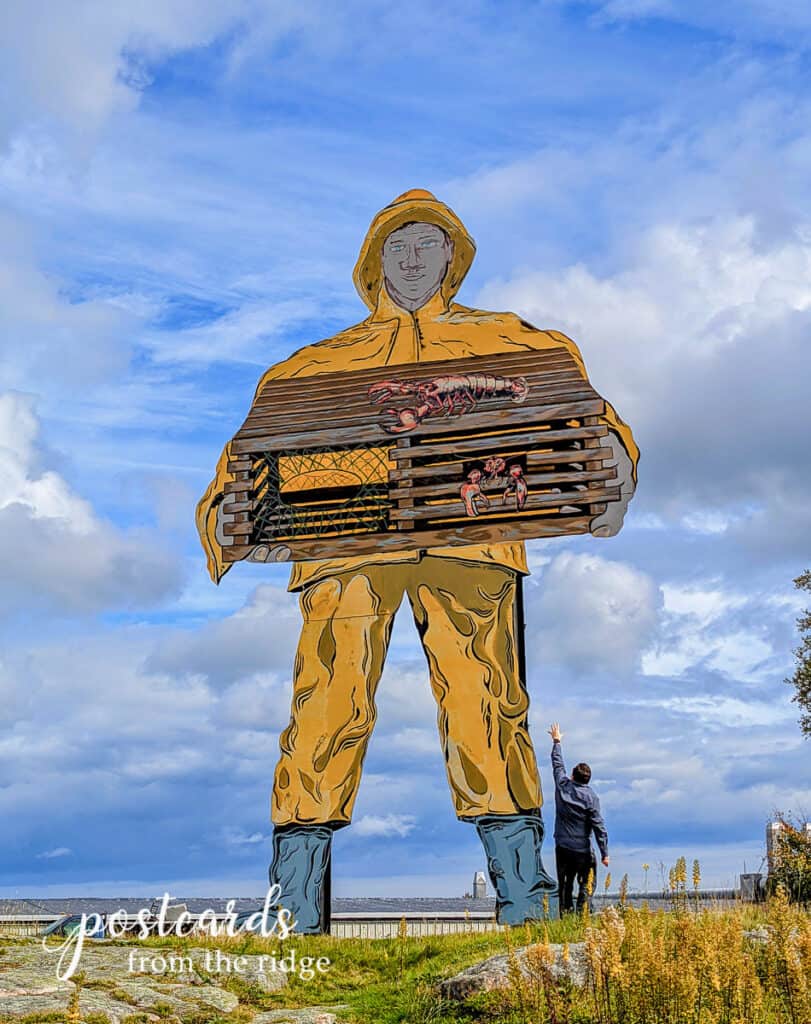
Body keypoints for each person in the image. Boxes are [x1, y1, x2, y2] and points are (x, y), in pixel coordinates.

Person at [197, 190, 639, 933]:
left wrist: (608, 477)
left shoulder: (513, 342)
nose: (411, 257)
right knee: (324, 706)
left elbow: (589, 421)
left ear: (452, 257)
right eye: (396, 245)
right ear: (372, 262)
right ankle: (294, 913)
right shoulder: (312, 365)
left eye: (427, 243)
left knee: (488, 704)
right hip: (348, 551)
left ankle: (524, 903)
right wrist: (227, 518)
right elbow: (248, 456)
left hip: (471, 545)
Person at [548, 722, 609, 915]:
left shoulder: (563, 786)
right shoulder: (591, 798)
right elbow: (599, 826)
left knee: (565, 885)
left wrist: (557, 741)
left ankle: (565, 917)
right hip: (582, 850)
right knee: (587, 884)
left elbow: (557, 765)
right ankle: (583, 916)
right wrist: (604, 852)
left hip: (563, 847)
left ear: (573, 776)